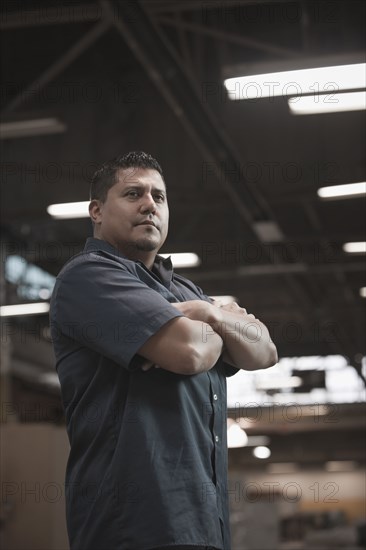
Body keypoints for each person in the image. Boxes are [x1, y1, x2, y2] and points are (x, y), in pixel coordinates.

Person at [50, 151, 277, 550]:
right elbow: (190, 352)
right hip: (134, 528)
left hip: (206, 525)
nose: (149, 205)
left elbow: (264, 351)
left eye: (160, 196)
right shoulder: (88, 277)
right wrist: (223, 324)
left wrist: (207, 313)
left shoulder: (187, 292)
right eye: (133, 193)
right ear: (97, 210)